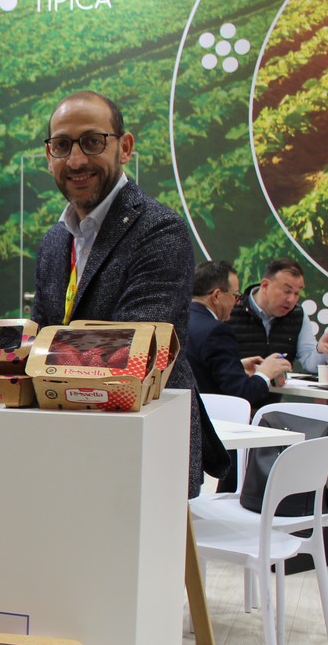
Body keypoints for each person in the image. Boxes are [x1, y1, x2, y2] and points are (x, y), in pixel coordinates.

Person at [32, 91, 202, 495]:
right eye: (62, 145)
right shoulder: (55, 241)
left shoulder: (160, 230)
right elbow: (38, 334)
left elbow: (131, 351)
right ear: (49, 156)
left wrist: (40, 353)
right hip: (69, 440)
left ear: (124, 147)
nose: (76, 161)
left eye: (92, 142)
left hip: (144, 446)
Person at [187, 260, 291, 406]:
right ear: (216, 296)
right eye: (236, 295)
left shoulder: (179, 321)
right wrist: (265, 373)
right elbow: (241, 395)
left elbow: (198, 368)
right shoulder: (217, 331)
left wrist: (237, 366)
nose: (237, 302)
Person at [226, 258, 328, 372]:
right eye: (286, 291)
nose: (291, 300)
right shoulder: (231, 310)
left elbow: (310, 363)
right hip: (235, 388)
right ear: (265, 286)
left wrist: (322, 350)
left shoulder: (297, 315)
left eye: (297, 293)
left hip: (277, 390)